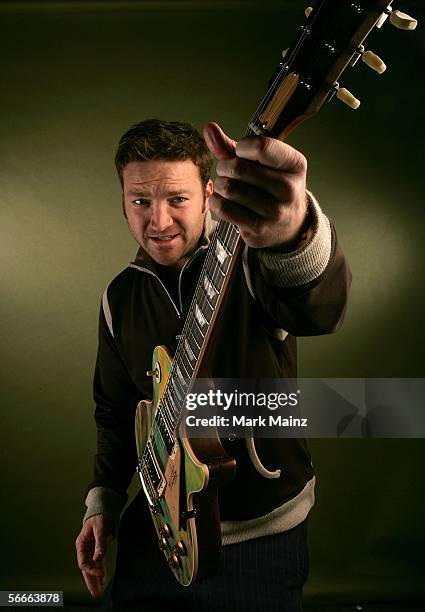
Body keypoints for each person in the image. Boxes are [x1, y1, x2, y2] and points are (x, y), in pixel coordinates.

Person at [75, 119, 351, 611]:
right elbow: (116, 412)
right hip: (154, 533)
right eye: (140, 201)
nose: (157, 221)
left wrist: (292, 233)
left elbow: (321, 309)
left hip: (254, 539)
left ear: (208, 193)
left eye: (177, 199)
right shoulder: (118, 297)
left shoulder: (250, 254)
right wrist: (104, 506)